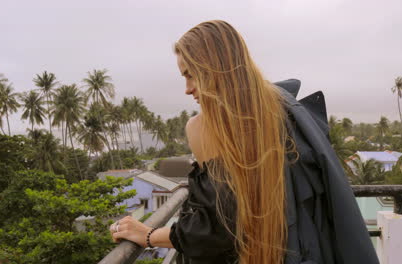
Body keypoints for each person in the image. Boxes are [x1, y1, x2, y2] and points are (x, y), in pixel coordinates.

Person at [110, 20, 379, 264]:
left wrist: (148, 235)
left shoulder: (204, 126)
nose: (187, 88)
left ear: (213, 69)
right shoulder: (280, 111)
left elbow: (216, 231)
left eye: (191, 74)